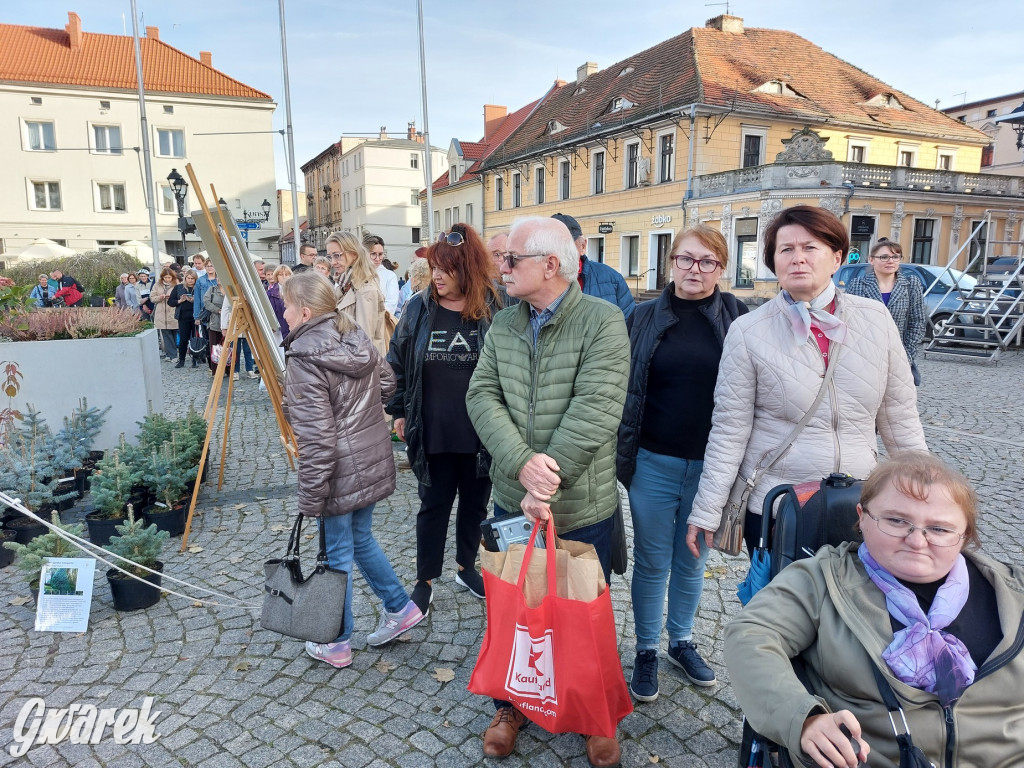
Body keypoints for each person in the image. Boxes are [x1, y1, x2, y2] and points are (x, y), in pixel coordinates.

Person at [725, 451, 1024, 768]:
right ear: (862, 517)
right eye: (897, 521)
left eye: (939, 529)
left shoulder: (1011, 592)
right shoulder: (822, 579)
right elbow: (750, 635)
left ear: (964, 534)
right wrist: (802, 717)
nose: (917, 541)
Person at [466, 216, 630, 767]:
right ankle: (510, 703)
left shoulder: (603, 322)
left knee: (582, 614)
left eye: (511, 260)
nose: (500, 268)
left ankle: (592, 714)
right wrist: (521, 467)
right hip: (514, 501)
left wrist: (546, 479)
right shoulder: (503, 324)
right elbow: (481, 395)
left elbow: (598, 407)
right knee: (514, 608)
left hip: (581, 505)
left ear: (550, 265)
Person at [686, 205, 927, 558]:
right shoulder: (748, 332)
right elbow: (729, 430)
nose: (798, 258)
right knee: (780, 611)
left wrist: (926, 495)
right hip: (778, 506)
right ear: (773, 263)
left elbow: (900, 418)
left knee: (854, 609)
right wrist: (707, 511)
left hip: (860, 504)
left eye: (810, 247)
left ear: (837, 257)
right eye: (786, 250)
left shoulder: (875, 319)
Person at [616, 225, 748, 701]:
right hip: (652, 460)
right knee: (652, 561)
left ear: (721, 268)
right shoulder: (642, 317)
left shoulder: (738, 317)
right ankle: (647, 648)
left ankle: (681, 640)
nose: (695, 269)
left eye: (707, 262)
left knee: (693, 560)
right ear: (671, 262)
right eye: (687, 259)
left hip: (712, 468)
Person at [281, 271, 425, 669]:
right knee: (359, 539)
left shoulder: (305, 357)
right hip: (368, 455)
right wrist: (357, 413)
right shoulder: (352, 334)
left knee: (337, 553)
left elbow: (318, 439)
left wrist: (311, 496)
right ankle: (399, 607)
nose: (285, 313)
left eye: (288, 306)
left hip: (340, 470)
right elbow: (386, 384)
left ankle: (337, 641)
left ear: (306, 311)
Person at [386, 224, 501, 613]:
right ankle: (424, 579)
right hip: (433, 426)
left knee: (475, 504)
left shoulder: (494, 306)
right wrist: (399, 409)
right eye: (434, 267)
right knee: (432, 505)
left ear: (466, 268)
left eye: (445, 268)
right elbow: (397, 361)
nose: (435, 276)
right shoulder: (419, 307)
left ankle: (466, 567)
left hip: (482, 431)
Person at [845, 238, 926, 386]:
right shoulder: (858, 284)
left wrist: (906, 355)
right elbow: (849, 322)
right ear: (871, 259)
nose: (891, 261)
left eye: (895, 257)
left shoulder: (910, 284)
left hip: (898, 355)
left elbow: (918, 322)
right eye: (884, 257)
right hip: (865, 358)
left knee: (897, 405)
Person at [550, 213, 635, 320]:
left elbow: (630, 325)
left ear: (583, 246)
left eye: (566, 245)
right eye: (551, 246)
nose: (559, 252)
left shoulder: (612, 279)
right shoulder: (531, 282)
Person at [329, 232, 388, 355]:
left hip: (359, 367)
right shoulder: (345, 284)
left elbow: (364, 343)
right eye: (330, 257)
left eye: (337, 256)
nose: (333, 262)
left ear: (354, 255)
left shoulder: (365, 288)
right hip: (349, 362)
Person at [168, 269, 199, 368]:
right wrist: (180, 301)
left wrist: (194, 300)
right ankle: (181, 360)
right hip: (183, 317)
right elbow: (170, 302)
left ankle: (195, 360)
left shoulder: (198, 288)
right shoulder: (179, 287)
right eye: (188, 278)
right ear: (185, 278)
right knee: (183, 339)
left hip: (195, 317)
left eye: (192, 278)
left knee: (195, 339)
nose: (190, 280)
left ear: (195, 279)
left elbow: (203, 301)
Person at [149, 267, 179, 361]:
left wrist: (172, 298)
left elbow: (180, 296)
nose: (167, 279)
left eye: (169, 277)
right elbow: (152, 298)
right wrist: (160, 297)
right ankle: (173, 355)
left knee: (173, 334)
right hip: (161, 313)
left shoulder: (177, 285)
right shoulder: (157, 285)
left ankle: (169, 353)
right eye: (165, 277)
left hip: (172, 311)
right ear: (162, 277)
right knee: (166, 334)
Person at [365, 234, 400, 315]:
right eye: (373, 254)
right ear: (365, 253)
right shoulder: (355, 273)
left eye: (380, 254)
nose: (377, 259)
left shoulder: (389, 276)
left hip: (380, 322)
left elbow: (391, 304)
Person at [203, 270, 225, 376]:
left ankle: (228, 369)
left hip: (227, 322)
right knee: (215, 347)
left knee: (227, 347)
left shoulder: (229, 290)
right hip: (214, 322)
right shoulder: (211, 289)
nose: (219, 280)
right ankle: (215, 370)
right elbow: (207, 303)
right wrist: (218, 310)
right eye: (218, 278)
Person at [267, 265, 292, 338]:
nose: (284, 277)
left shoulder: (296, 291)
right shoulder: (270, 293)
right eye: (281, 275)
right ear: (276, 277)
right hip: (278, 332)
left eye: (287, 274)